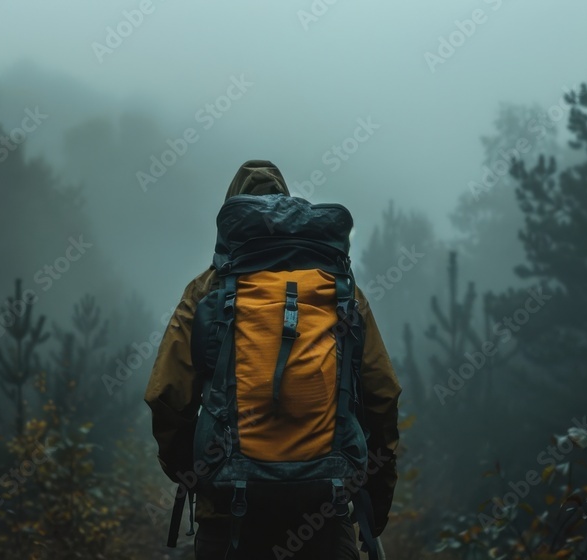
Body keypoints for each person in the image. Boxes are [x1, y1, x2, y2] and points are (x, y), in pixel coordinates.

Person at [144, 160, 402, 559]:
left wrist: (200, 477)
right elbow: (382, 397)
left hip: (229, 517)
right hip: (323, 512)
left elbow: (167, 397)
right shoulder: (340, 291)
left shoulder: (207, 290)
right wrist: (375, 501)